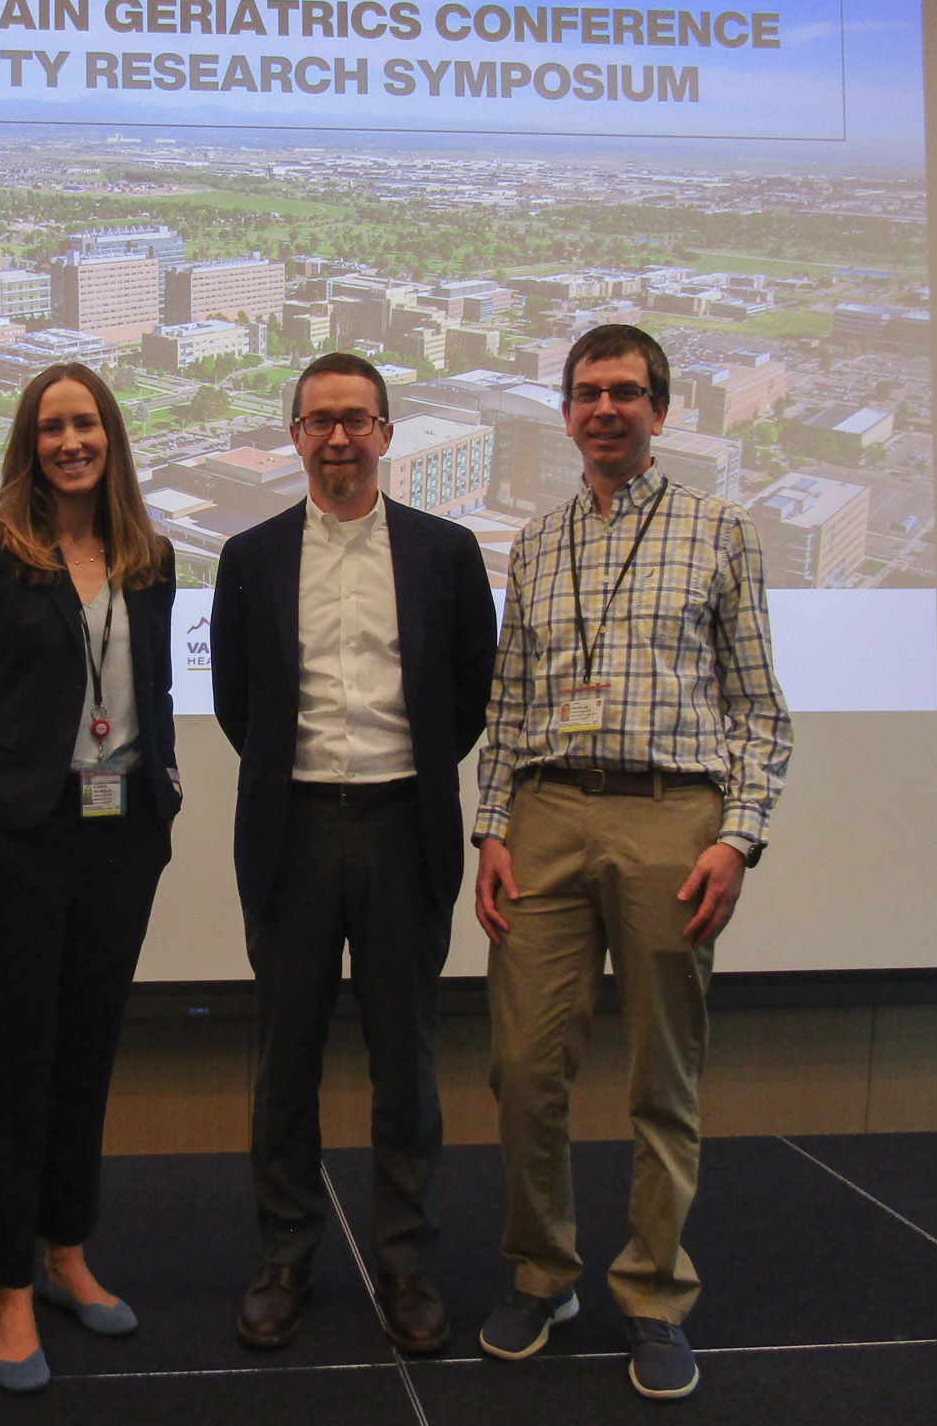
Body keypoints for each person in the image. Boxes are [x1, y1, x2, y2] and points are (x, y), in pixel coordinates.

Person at [471, 324, 792, 1399]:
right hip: (547, 815)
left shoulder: (720, 532)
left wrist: (737, 837)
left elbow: (758, 711)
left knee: (663, 1078)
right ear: (563, 413)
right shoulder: (533, 542)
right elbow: (508, 706)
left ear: (659, 409)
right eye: (584, 393)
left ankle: (653, 1293)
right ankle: (542, 1272)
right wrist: (491, 831)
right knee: (524, 1069)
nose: (602, 409)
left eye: (624, 392)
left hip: (671, 821)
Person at [211, 352, 497, 1353]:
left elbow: (466, 694)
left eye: (356, 419)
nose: (337, 437)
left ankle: (404, 1262)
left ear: (385, 432)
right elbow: (235, 706)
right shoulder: (246, 556)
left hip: (399, 829)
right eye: (318, 420)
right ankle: (285, 1256)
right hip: (289, 832)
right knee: (282, 1060)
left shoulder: (445, 553)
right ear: (294, 435)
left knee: (403, 1065)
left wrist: (395, 775)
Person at [0, 362, 180, 1393]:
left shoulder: (147, 558)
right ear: (30, 442)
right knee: (17, 1065)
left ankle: (67, 1250)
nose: (71, 441)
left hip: (120, 839)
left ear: (109, 436)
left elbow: (148, 689)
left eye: (86, 425)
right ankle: (9, 1290)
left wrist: (159, 792)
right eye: (52, 427)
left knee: (86, 1057)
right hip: (23, 839)